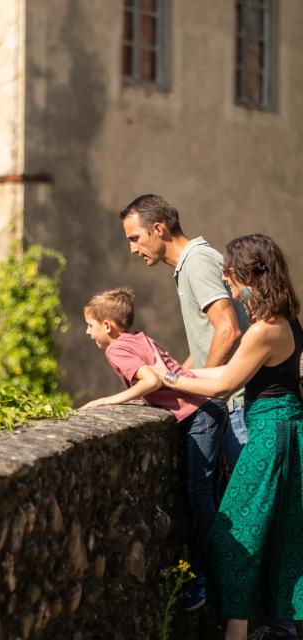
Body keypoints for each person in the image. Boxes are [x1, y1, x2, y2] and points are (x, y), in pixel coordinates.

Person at [120, 195, 297, 639]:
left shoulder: (261, 325)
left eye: (232, 271)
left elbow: (225, 361)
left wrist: (173, 381)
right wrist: (180, 373)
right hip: (276, 425)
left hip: (261, 427)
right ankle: (269, 627)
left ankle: (260, 624)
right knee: (275, 531)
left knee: (236, 533)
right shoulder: (286, 322)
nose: (224, 276)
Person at [81, 287, 227, 609]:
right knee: (207, 497)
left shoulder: (117, 348)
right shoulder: (139, 338)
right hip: (209, 410)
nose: (87, 332)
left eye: (90, 325)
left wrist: (107, 400)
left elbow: (150, 381)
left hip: (200, 414)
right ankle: (218, 573)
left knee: (200, 497)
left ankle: (210, 578)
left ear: (108, 326)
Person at [119, 194, 249, 467]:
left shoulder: (196, 262)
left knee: (246, 506)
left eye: (134, 238)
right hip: (234, 406)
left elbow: (227, 330)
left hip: (238, 408)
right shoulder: (191, 263)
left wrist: (200, 394)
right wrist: (178, 373)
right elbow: (208, 337)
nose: (132, 249)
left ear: (159, 228)